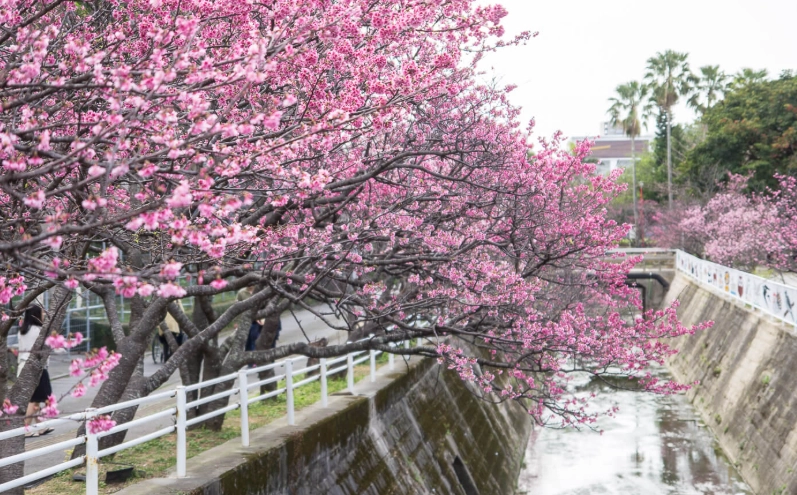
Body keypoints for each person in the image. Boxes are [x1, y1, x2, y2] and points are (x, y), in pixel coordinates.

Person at [18, 305, 54, 437]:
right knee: (35, 399)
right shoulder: (39, 331)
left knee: (36, 398)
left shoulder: (22, 331)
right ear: (36, 315)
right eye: (42, 313)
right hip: (37, 367)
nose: (43, 315)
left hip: (24, 365)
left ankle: (41, 426)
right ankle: (25, 428)